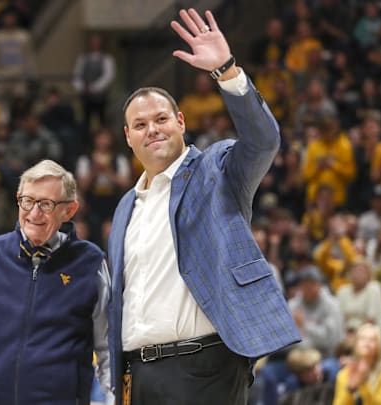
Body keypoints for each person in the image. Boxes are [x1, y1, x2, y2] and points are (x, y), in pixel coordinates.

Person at [107, 9, 299, 405]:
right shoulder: (127, 205)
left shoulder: (216, 168)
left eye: (161, 119)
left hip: (204, 366)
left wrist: (227, 72)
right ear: (128, 137)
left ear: (181, 122)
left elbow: (263, 141)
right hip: (138, 373)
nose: (152, 129)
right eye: (140, 125)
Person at [0, 160, 111, 404]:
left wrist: (113, 398)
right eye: (28, 201)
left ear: (69, 210)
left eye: (46, 204)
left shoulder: (91, 263)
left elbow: (107, 349)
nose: (34, 213)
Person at [333, 323, 381, 405]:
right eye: (363, 338)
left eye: (372, 339)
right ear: (356, 343)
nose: (367, 342)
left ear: (379, 345)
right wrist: (351, 388)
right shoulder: (345, 373)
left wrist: (363, 384)